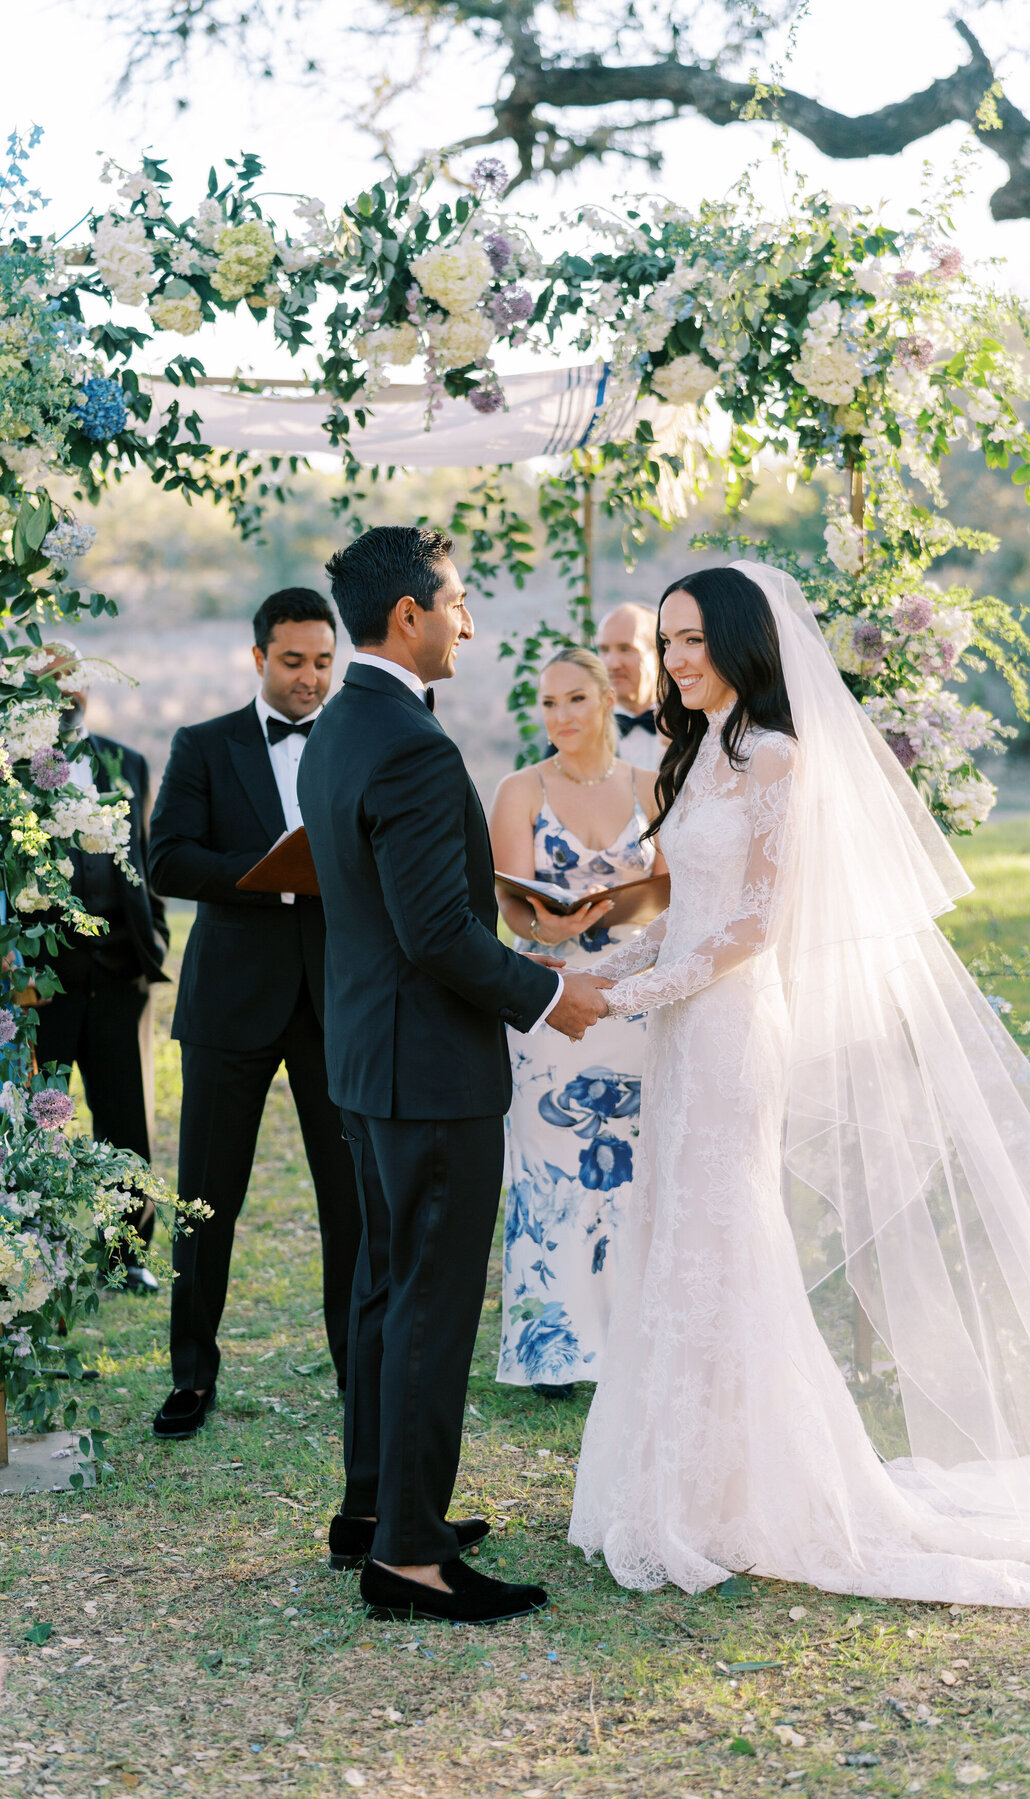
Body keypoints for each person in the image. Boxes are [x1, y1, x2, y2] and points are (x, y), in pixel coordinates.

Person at [569, 560, 1030, 1662]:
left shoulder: (776, 754)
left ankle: (747, 1493)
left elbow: (755, 924)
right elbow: (683, 913)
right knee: (675, 1233)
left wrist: (629, 991)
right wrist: (575, 965)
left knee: (728, 1238)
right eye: (664, 641)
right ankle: (680, 1478)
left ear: (744, 643)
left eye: (692, 639)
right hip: (681, 1030)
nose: (675, 659)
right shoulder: (686, 754)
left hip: (732, 1027)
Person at [298, 524, 610, 1629]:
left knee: (386, 1289)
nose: (469, 621)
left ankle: (373, 1509)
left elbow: (399, 902)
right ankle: (412, 1559)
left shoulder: (342, 724)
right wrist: (546, 991)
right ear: (410, 616)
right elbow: (435, 933)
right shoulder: (415, 744)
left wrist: (507, 902)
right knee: (428, 1302)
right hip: (430, 1069)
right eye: (458, 600)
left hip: (367, 1058)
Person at [147, 587, 361, 1440]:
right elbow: (166, 858)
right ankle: (192, 1376)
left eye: (322, 660)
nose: (310, 678)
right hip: (230, 1004)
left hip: (334, 1001)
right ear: (258, 657)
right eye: (293, 661)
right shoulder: (202, 744)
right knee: (206, 1200)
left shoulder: (353, 738)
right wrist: (269, 873)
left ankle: (358, 1367)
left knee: (348, 1201)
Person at [490, 648, 665, 1402]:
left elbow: (675, 891)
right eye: (549, 703)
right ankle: (551, 1347)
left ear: (607, 700)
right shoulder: (519, 788)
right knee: (548, 1165)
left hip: (633, 996)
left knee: (633, 1163)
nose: (560, 716)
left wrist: (628, 913)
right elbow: (509, 903)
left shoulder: (654, 786)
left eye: (575, 700)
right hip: (550, 997)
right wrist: (555, 932)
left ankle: (634, 1335)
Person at [34, 679, 169, 1294]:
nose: (62, 692)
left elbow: (144, 858)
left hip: (122, 975)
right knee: (39, 1121)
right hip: (43, 986)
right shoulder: (11, 771)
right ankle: (37, 1254)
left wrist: (155, 940)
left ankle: (126, 1257)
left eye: (69, 679)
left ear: (85, 685)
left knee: (127, 1120)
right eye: (45, 681)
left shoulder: (130, 762)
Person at [596, 603, 664, 770]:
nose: (612, 664)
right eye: (604, 650)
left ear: (658, 656)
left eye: (625, 649)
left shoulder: (691, 725)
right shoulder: (583, 726)